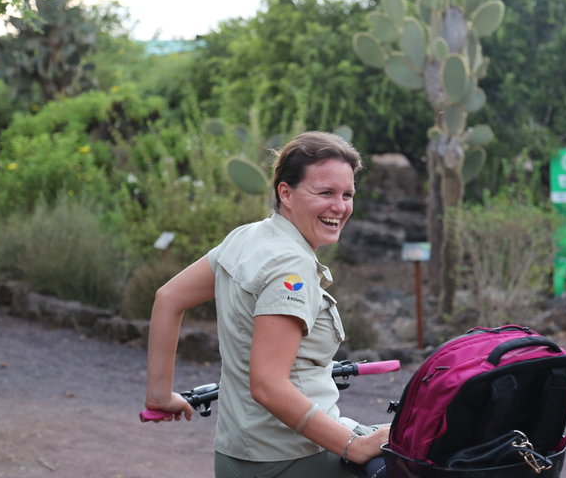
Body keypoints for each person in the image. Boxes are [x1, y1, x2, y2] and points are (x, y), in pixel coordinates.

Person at [144, 131, 390, 477]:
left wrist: (160, 394)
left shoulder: (247, 237)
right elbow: (268, 386)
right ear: (285, 193)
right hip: (293, 459)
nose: (340, 206)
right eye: (325, 193)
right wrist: (354, 446)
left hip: (235, 455)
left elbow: (168, 298)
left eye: (347, 194)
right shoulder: (292, 267)